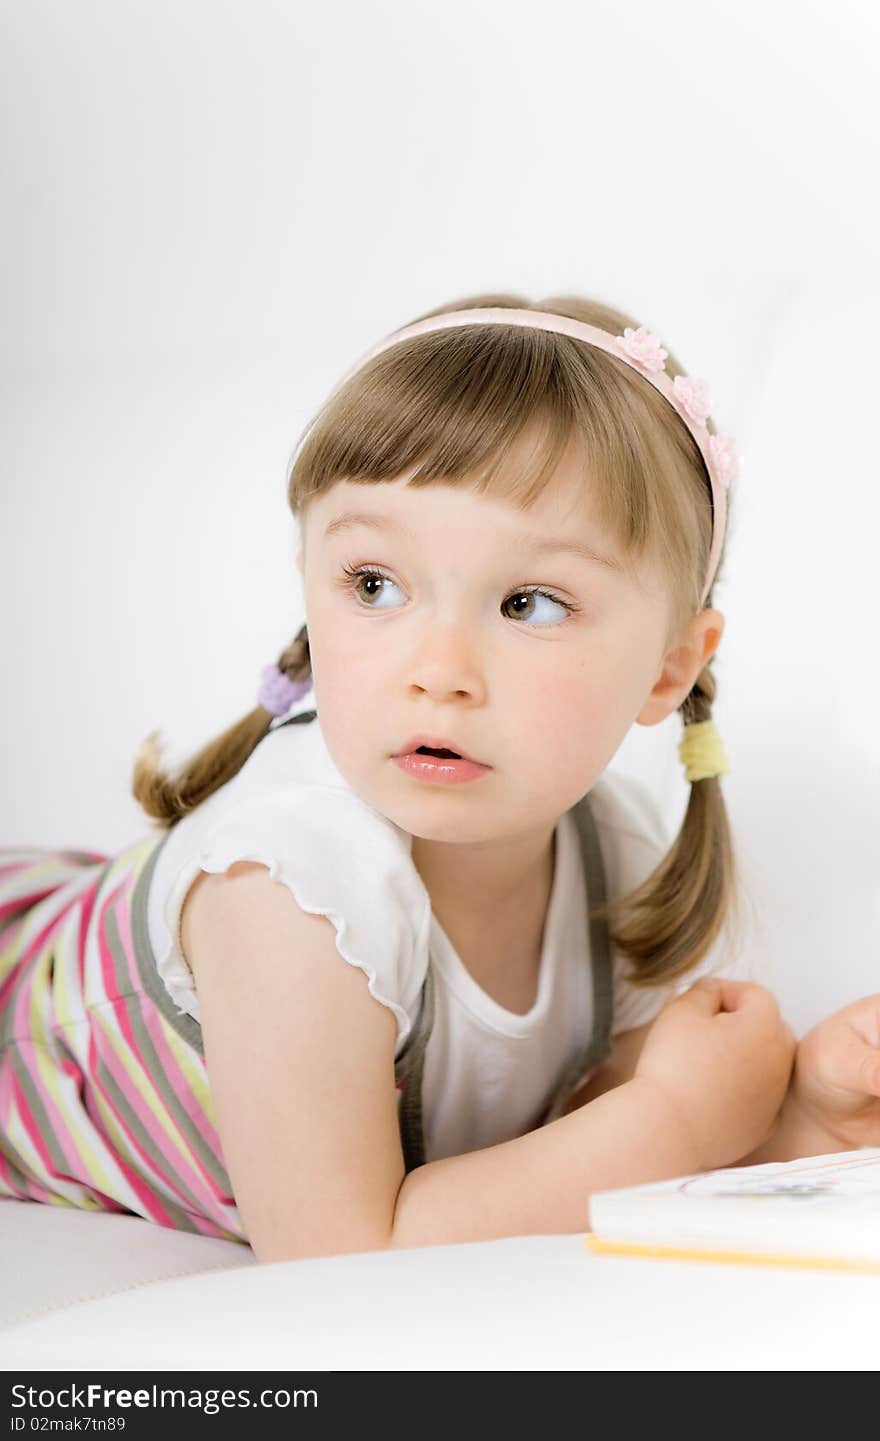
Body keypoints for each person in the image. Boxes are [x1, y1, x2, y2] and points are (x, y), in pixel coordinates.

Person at [2, 294, 878, 1264]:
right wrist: (676, 1116)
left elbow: (562, 1144)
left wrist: (795, 1119)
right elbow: (337, 1251)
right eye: (374, 583)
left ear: (671, 664)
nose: (438, 666)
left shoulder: (608, 850)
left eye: (528, 602)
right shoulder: (290, 887)